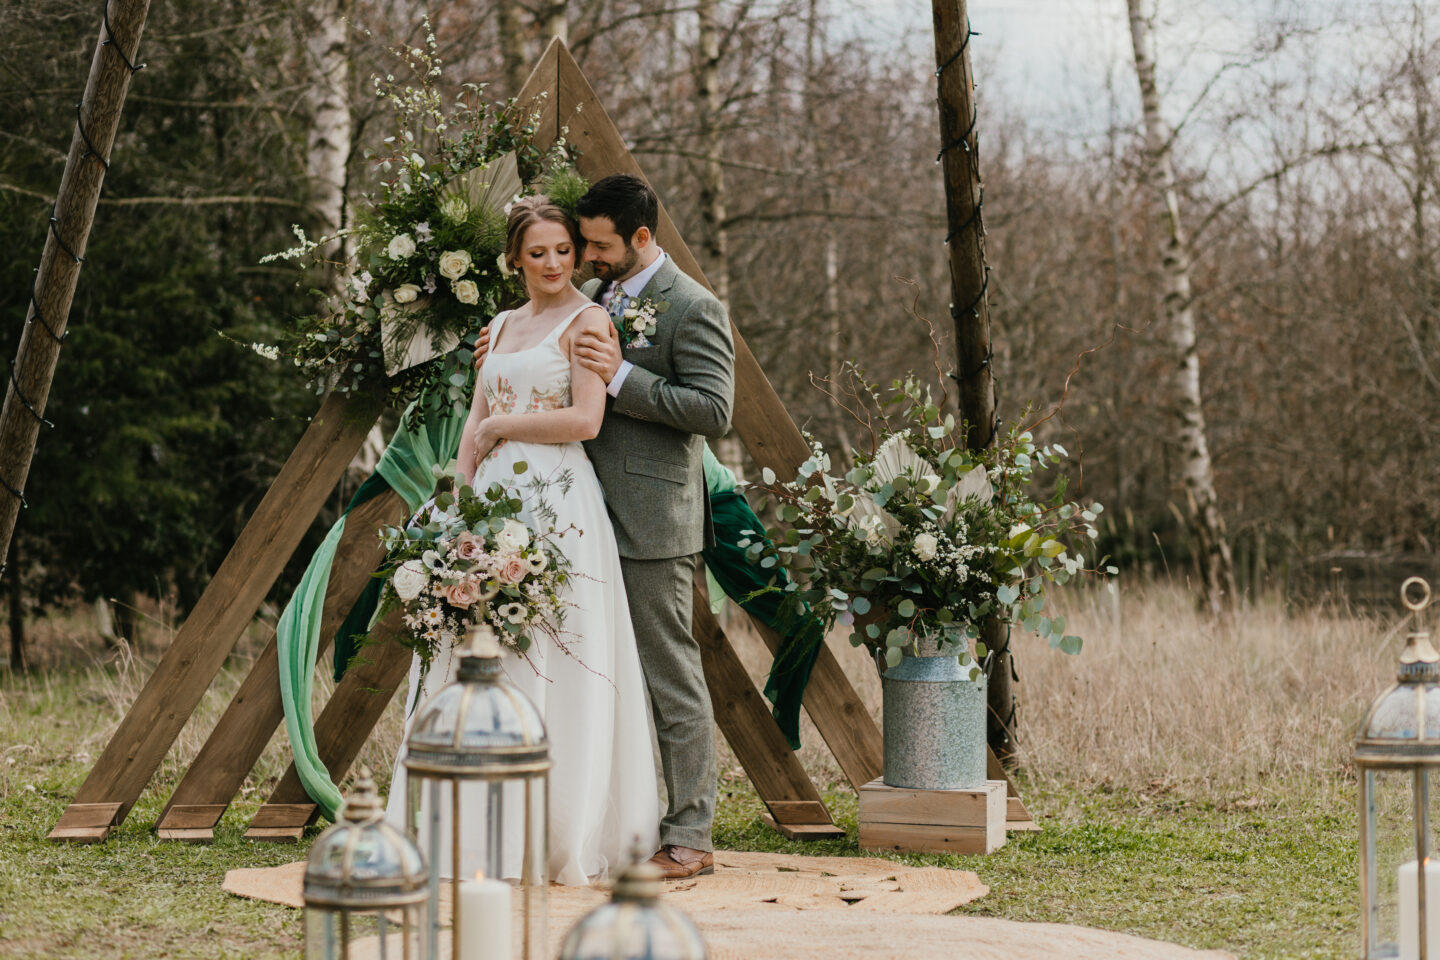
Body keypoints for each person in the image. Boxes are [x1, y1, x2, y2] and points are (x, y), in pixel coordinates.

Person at [385, 196, 660, 887]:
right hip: (489, 501)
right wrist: (459, 508)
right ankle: (467, 826)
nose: (552, 264)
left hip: (558, 504)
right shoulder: (501, 324)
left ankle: (552, 828)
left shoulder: (588, 319)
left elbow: (587, 419)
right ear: (515, 259)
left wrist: (502, 431)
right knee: (481, 652)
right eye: (537, 254)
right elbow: (476, 421)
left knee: (550, 651)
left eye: (563, 251)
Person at [475, 174, 735, 879]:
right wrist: (505, 356)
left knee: (669, 678)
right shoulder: (595, 298)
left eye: (597, 245)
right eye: (577, 245)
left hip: (652, 521)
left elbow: (714, 411)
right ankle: (603, 819)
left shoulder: (693, 306)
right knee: (587, 673)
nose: (584, 257)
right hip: (574, 515)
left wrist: (625, 379)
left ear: (641, 239)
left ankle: (691, 838)